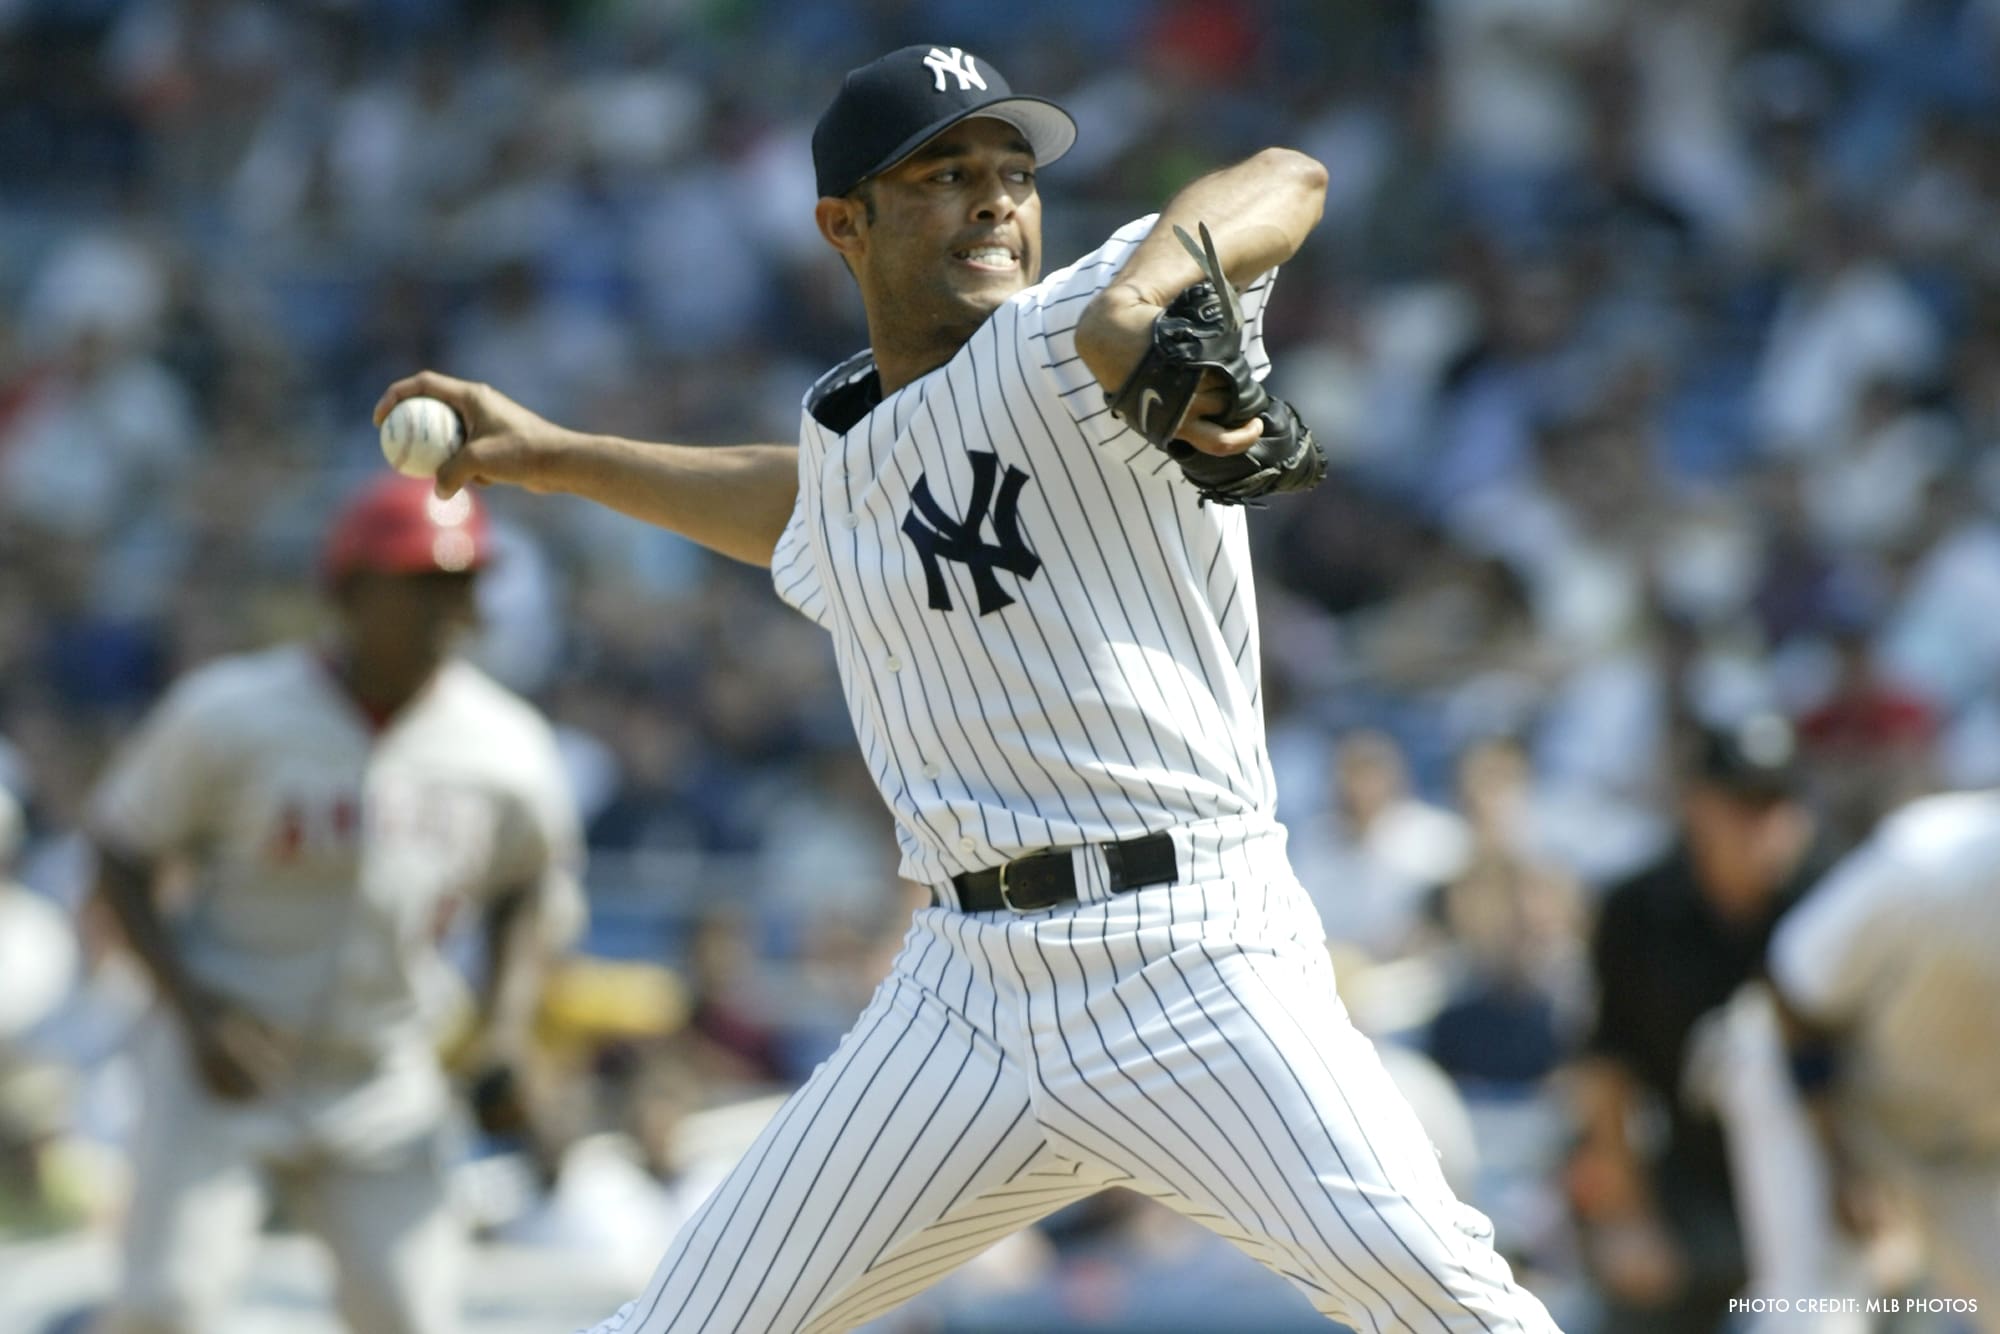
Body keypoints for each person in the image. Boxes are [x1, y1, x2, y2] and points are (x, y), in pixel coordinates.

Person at [379, 43, 1559, 1333]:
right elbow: (803, 504)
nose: (997, 199)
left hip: (1196, 956)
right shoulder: (849, 447)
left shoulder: (1071, 332)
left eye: (1011, 172)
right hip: (964, 993)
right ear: (846, 224)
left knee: (1450, 1305)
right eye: (944, 175)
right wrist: (551, 456)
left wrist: (1146, 294)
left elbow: (1284, 176)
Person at [85, 475, 583, 1334]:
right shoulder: (232, 711)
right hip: (226, 1051)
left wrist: (505, 1030)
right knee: (166, 1306)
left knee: (414, 1318)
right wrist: (196, 1014)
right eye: (420, 583)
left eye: (460, 586)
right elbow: (122, 849)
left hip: (383, 1070)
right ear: (349, 588)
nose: (446, 609)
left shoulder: (507, 748)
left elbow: (527, 886)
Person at [1566, 715, 1826, 1334]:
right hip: (1690, 1187)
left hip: (1822, 1182)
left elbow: (1876, 1068)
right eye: (1745, 804)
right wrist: (1627, 1219)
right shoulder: (1638, 909)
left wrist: (1885, 1209)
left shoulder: (1832, 900)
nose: (1766, 825)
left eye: (1780, 803)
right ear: (1698, 807)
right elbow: (1607, 1070)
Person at [1751, 788, 2000, 1328]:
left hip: (1966, 1135)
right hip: (1819, 1088)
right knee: (1816, 1315)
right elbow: (1793, 993)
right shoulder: (1936, 861)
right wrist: (1838, 1161)